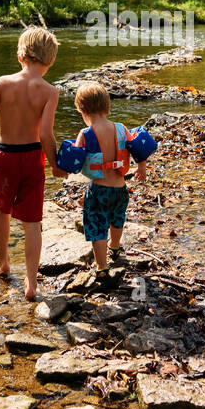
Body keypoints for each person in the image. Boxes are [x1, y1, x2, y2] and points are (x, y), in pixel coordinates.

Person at [0, 26, 68, 300]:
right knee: (32, 222)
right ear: (51, 61)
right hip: (32, 158)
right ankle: (32, 284)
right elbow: (47, 134)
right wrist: (56, 165)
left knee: (1, 210)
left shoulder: (3, 82)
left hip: (3, 157)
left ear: (19, 55)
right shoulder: (50, 92)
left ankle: (3, 262)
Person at [71, 81, 147, 274]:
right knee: (117, 218)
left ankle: (102, 267)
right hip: (120, 188)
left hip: (99, 189)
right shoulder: (121, 128)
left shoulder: (85, 133)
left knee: (97, 225)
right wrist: (141, 168)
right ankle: (115, 246)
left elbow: (76, 160)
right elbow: (139, 148)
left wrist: (62, 168)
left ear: (81, 110)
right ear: (108, 107)